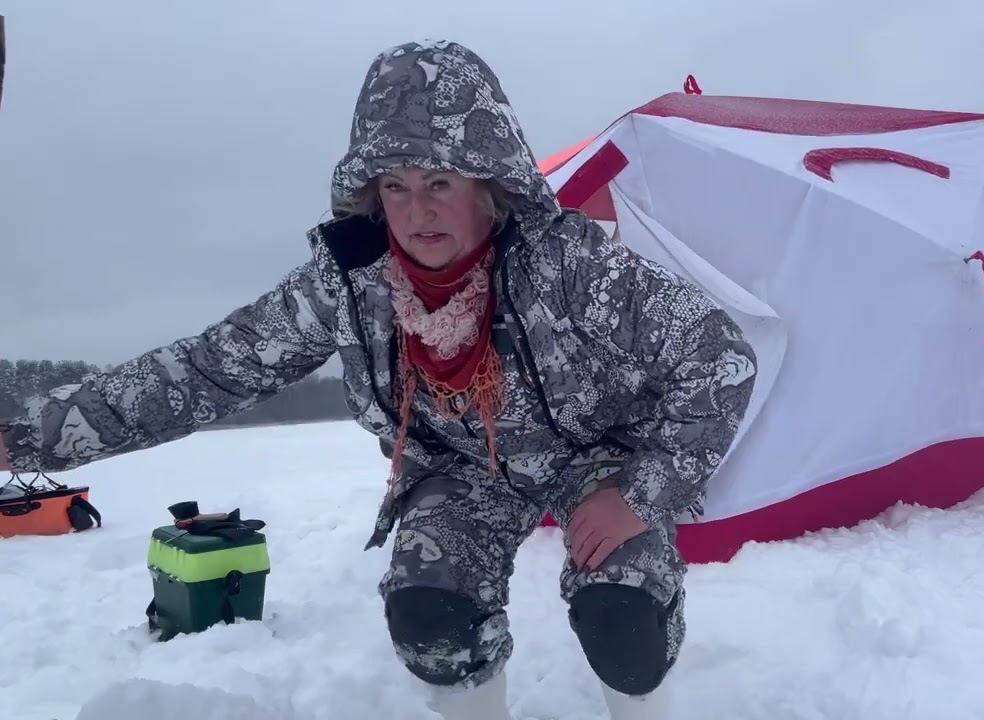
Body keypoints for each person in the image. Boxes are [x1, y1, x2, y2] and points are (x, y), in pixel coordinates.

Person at [0, 39, 757, 720]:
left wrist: (638, 493)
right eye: (395, 186)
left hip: (601, 460)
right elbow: (203, 371)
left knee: (623, 616)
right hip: (466, 469)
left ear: (488, 187)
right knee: (429, 612)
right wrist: (20, 435)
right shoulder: (348, 284)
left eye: (439, 182)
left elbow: (720, 360)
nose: (418, 210)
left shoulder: (569, 264)